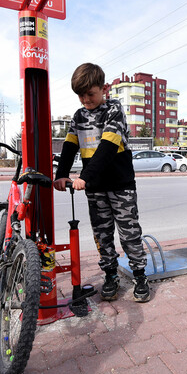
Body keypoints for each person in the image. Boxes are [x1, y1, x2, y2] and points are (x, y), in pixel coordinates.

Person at [53, 63, 150, 303]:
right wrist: (61, 173)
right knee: (102, 235)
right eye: (80, 95)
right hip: (95, 189)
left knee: (129, 234)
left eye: (90, 94)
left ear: (103, 88)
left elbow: (107, 148)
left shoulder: (114, 110)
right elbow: (69, 145)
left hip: (120, 184)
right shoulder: (78, 116)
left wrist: (84, 177)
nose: (85, 99)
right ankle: (110, 276)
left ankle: (139, 276)